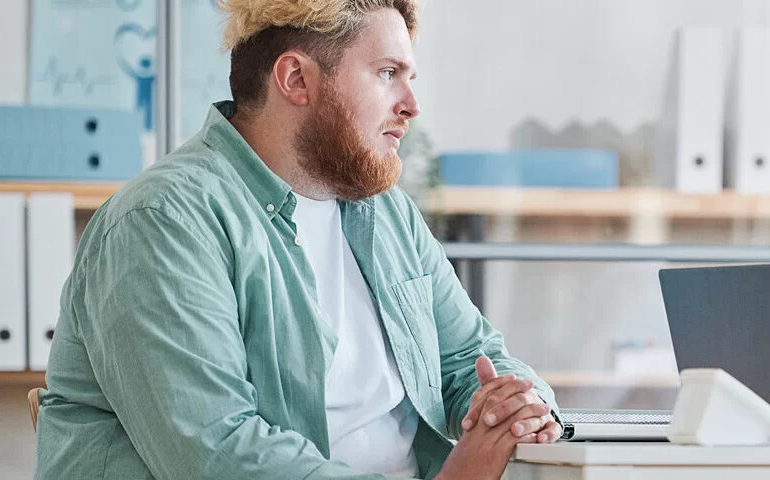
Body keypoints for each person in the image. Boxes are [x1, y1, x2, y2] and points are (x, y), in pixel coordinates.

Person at [34, 1, 558, 478]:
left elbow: (472, 354)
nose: (411, 104)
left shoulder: (382, 210)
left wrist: (517, 405)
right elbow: (219, 454)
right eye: (386, 73)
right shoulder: (163, 221)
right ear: (295, 79)